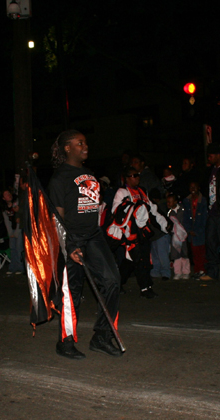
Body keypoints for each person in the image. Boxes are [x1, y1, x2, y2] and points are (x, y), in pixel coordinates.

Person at [48, 129, 122, 359]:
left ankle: (101, 336)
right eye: (80, 143)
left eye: (86, 143)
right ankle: (65, 341)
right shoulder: (59, 178)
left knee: (112, 280)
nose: (85, 146)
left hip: (93, 236)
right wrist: (69, 246)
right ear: (67, 148)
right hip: (72, 239)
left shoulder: (89, 173)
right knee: (72, 292)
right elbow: (57, 219)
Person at [107, 166, 169, 298]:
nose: (137, 178)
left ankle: (117, 284)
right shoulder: (122, 192)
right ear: (126, 178)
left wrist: (165, 224)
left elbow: (152, 210)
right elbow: (115, 211)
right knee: (140, 259)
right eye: (134, 175)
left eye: (138, 175)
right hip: (130, 234)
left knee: (131, 262)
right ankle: (145, 288)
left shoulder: (142, 191)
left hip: (143, 233)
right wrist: (132, 207)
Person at [199, 143, 220, 281]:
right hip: (211, 213)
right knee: (211, 242)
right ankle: (212, 271)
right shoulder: (210, 171)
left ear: (218, 155)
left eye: (211, 155)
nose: (209, 158)